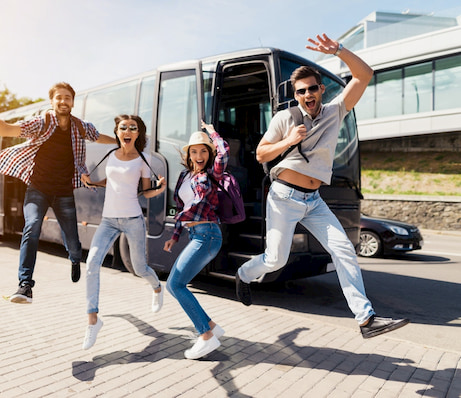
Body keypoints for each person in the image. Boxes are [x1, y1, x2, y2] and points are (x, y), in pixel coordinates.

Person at [235, 34, 410, 339]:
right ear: (296, 95)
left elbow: (364, 75)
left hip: (314, 200)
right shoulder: (284, 118)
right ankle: (243, 274)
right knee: (275, 259)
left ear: (321, 89)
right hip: (284, 197)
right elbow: (261, 154)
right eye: (301, 91)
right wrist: (289, 140)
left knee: (344, 250)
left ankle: (366, 319)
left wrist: (340, 51)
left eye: (313, 88)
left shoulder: (335, 111)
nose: (308, 94)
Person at [0, 82, 116, 304]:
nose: (63, 101)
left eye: (67, 98)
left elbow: (99, 137)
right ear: (52, 101)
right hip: (38, 189)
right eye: (59, 97)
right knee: (32, 225)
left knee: (74, 243)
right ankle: (25, 285)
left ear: (72, 103)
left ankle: (75, 259)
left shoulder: (80, 127)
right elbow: (8, 130)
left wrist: (123, 145)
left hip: (64, 191)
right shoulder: (42, 122)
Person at [81, 114, 167, 350]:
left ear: (138, 134)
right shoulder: (110, 155)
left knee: (139, 268)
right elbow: (111, 182)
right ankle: (92, 321)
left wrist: (160, 189)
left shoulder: (143, 159)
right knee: (91, 264)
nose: (127, 131)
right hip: (108, 220)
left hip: (133, 220)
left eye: (133, 128)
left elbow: (146, 192)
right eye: (123, 128)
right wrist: (92, 182)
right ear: (117, 132)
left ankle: (157, 287)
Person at [163, 121, 229, 359]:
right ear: (188, 154)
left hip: (209, 234)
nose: (199, 155)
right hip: (196, 234)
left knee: (175, 285)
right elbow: (182, 206)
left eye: (204, 151)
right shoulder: (184, 176)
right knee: (175, 284)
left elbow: (224, 151)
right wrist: (174, 236)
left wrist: (211, 132)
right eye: (194, 151)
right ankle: (210, 327)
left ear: (208, 154)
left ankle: (206, 336)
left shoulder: (212, 174)